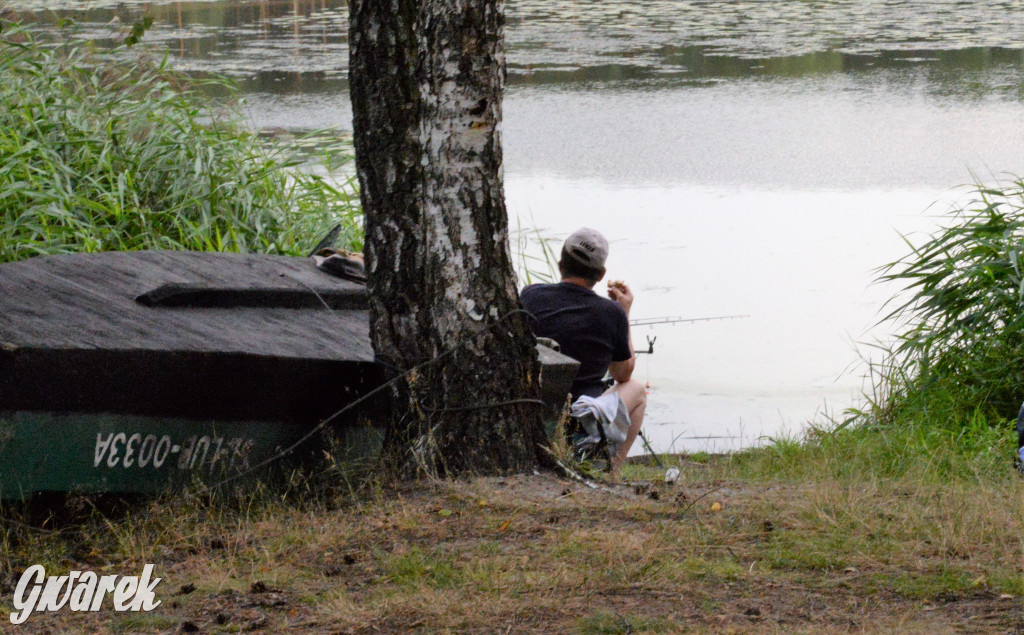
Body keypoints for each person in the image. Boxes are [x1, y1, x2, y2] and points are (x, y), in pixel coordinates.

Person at [520, 227, 646, 476]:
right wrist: (625, 312)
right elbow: (623, 373)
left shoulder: (530, 295)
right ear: (601, 276)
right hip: (579, 417)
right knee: (639, 390)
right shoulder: (611, 312)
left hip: (532, 407)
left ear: (560, 263)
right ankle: (612, 472)